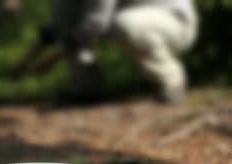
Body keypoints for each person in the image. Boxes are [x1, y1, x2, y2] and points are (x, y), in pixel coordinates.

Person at [11, 0, 198, 103]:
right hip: (138, 20)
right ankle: (91, 91)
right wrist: (24, 61)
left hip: (175, 22)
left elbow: (93, 28)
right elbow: (54, 28)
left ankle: (173, 81)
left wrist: (49, 61)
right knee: (75, 34)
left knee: (122, 25)